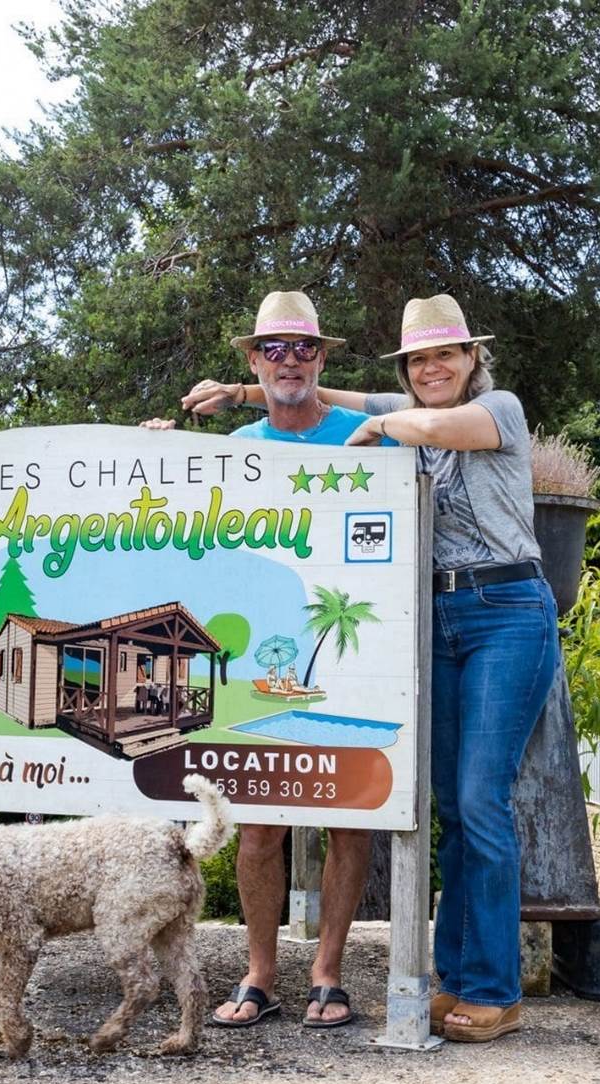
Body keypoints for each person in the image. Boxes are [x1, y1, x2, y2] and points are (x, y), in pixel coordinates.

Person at [183, 293, 557, 1043]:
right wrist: (243, 394)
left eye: (445, 354)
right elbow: (323, 394)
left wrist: (379, 424)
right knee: (453, 807)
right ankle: (458, 979)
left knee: (482, 801)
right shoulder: (397, 409)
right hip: (434, 620)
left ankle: (495, 989)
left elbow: (412, 423)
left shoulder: (497, 410)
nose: (432, 368)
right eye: (418, 359)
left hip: (506, 608)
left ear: (472, 358)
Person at [144, 289, 394, 1029]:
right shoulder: (236, 446)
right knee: (258, 826)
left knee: (351, 820)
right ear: (255, 361)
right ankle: (260, 973)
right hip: (263, 656)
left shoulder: (370, 435)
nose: (290, 361)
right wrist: (155, 455)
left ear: (321, 360)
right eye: (274, 350)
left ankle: (328, 973)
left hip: (352, 646)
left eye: (304, 348)